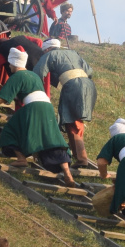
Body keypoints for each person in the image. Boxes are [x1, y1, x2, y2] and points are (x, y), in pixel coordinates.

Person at [0, 47, 77, 185]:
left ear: (13, 62)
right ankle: (68, 174)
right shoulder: (34, 75)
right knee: (52, 140)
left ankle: (21, 158)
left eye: (10, 63)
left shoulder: (17, 76)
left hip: (33, 107)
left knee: (11, 131)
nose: (9, 66)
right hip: (46, 107)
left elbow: (0, 98)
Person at [33, 37, 96, 168]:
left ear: (48, 49)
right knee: (72, 122)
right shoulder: (73, 53)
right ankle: (78, 157)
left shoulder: (50, 54)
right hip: (89, 86)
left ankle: (82, 158)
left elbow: (38, 73)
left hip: (73, 87)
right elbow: (89, 71)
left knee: (73, 122)